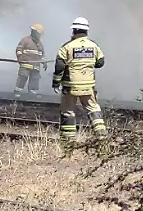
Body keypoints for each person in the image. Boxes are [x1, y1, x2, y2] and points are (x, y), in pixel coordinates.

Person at [53, 17, 107, 149]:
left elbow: (59, 66)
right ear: (86, 31)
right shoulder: (94, 46)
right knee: (94, 109)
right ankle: (102, 138)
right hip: (89, 86)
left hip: (70, 86)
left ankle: (68, 143)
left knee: (68, 112)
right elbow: (100, 63)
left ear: (74, 30)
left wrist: (56, 83)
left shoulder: (66, 47)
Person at [14, 23, 47, 96]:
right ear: (34, 32)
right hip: (25, 65)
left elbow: (42, 54)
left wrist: (44, 62)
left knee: (35, 80)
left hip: (36, 66)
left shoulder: (39, 44)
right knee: (22, 78)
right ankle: (17, 92)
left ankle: (33, 94)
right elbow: (18, 50)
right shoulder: (25, 40)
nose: (39, 36)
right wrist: (21, 59)